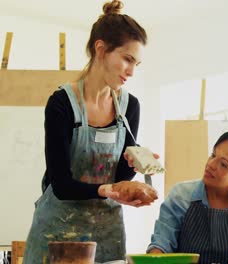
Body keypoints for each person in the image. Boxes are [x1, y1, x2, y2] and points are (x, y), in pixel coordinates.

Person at [23, 1, 158, 263]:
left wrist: (133, 163)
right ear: (101, 49)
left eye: (136, 64)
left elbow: (119, 175)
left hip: (106, 234)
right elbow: (60, 184)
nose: (131, 71)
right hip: (57, 234)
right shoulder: (62, 104)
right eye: (127, 59)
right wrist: (108, 190)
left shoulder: (130, 106)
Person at [147, 131, 228, 264]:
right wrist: (156, 259)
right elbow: (161, 245)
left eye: (223, 164)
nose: (211, 164)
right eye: (213, 155)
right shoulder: (181, 195)